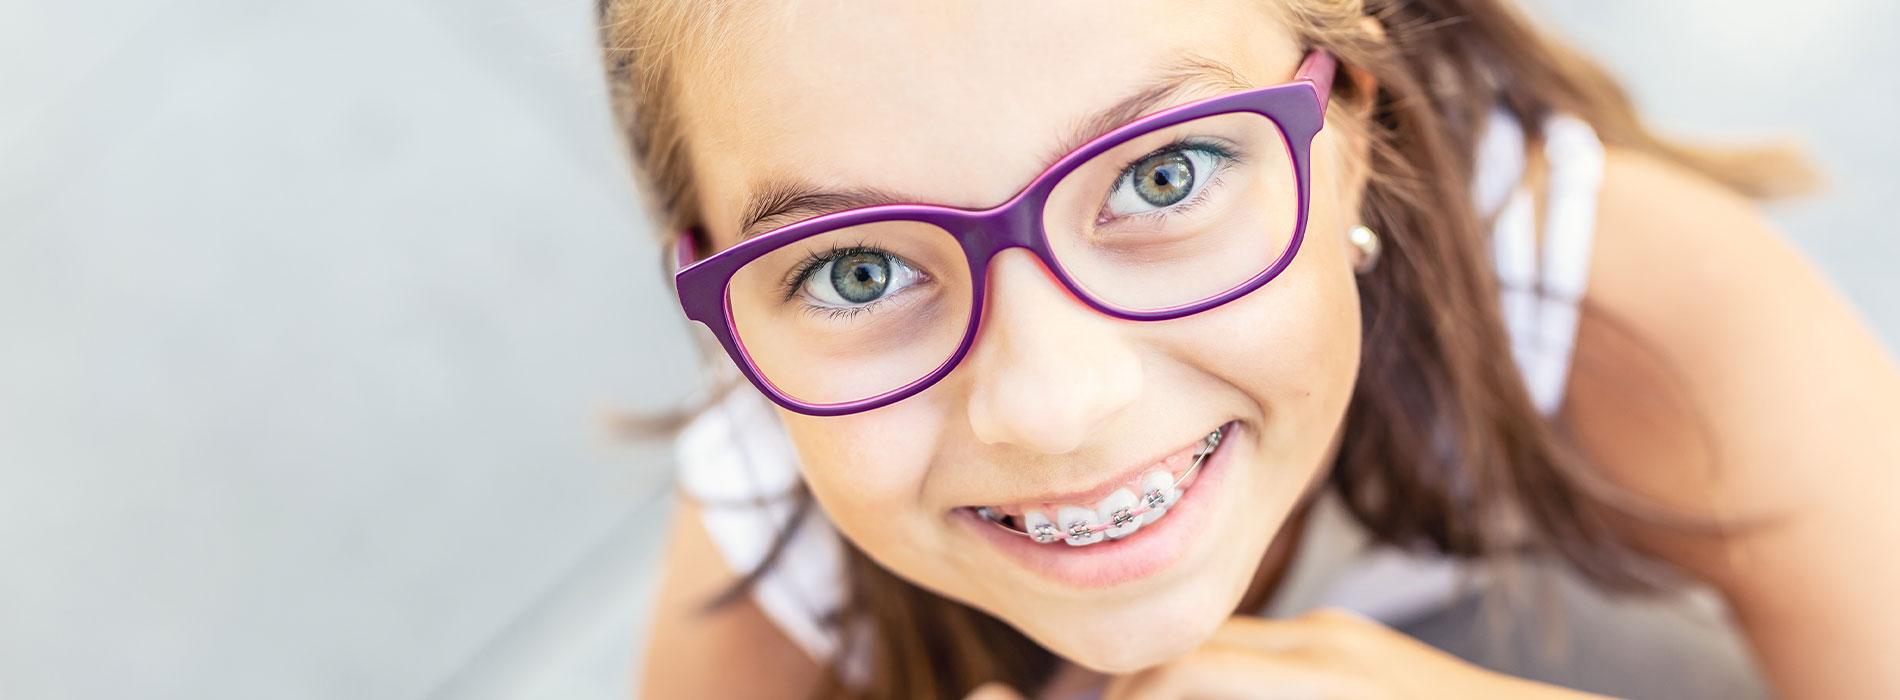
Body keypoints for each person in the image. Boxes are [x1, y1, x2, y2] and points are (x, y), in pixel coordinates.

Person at [598, 1, 1900, 698]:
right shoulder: (777, 527)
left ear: (1347, 113)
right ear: (708, 287)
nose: (1055, 404)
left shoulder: (1635, 313)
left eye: (1166, 176)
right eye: (857, 269)